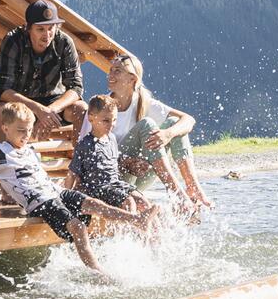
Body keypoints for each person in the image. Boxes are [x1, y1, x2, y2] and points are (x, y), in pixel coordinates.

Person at [0, 103, 153, 272]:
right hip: (40, 201)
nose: (26, 135)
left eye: (29, 130)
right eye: (21, 130)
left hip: (55, 192)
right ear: (5, 128)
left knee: (94, 204)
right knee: (77, 227)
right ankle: (99, 272)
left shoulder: (30, 151)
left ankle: (137, 219)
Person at [81, 54, 214, 209]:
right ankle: (176, 192)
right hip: (113, 177)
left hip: (140, 174)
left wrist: (167, 134)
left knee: (173, 123)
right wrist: (124, 160)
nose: (110, 75)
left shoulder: (144, 102)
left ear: (132, 79)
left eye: (117, 71)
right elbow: (86, 151)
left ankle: (192, 187)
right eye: (111, 70)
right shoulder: (100, 107)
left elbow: (188, 120)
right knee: (147, 124)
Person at [0, 0, 86, 142]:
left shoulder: (65, 42)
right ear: (28, 28)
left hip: (54, 103)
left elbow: (76, 87)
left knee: (81, 108)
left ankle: (82, 161)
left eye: (51, 28)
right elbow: (3, 89)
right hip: (20, 102)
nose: (47, 35)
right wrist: (38, 109)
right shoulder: (13, 41)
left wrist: (51, 111)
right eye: (40, 29)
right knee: (0, 110)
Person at [68, 94, 160, 225]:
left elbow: (112, 161)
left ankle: (153, 240)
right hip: (97, 187)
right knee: (129, 202)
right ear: (91, 118)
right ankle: (127, 237)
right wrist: (67, 196)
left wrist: (129, 162)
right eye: (106, 120)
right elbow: (72, 173)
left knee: (143, 201)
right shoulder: (85, 144)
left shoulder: (111, 139)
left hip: (115, 183)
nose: (112, 125)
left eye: (115, 120)